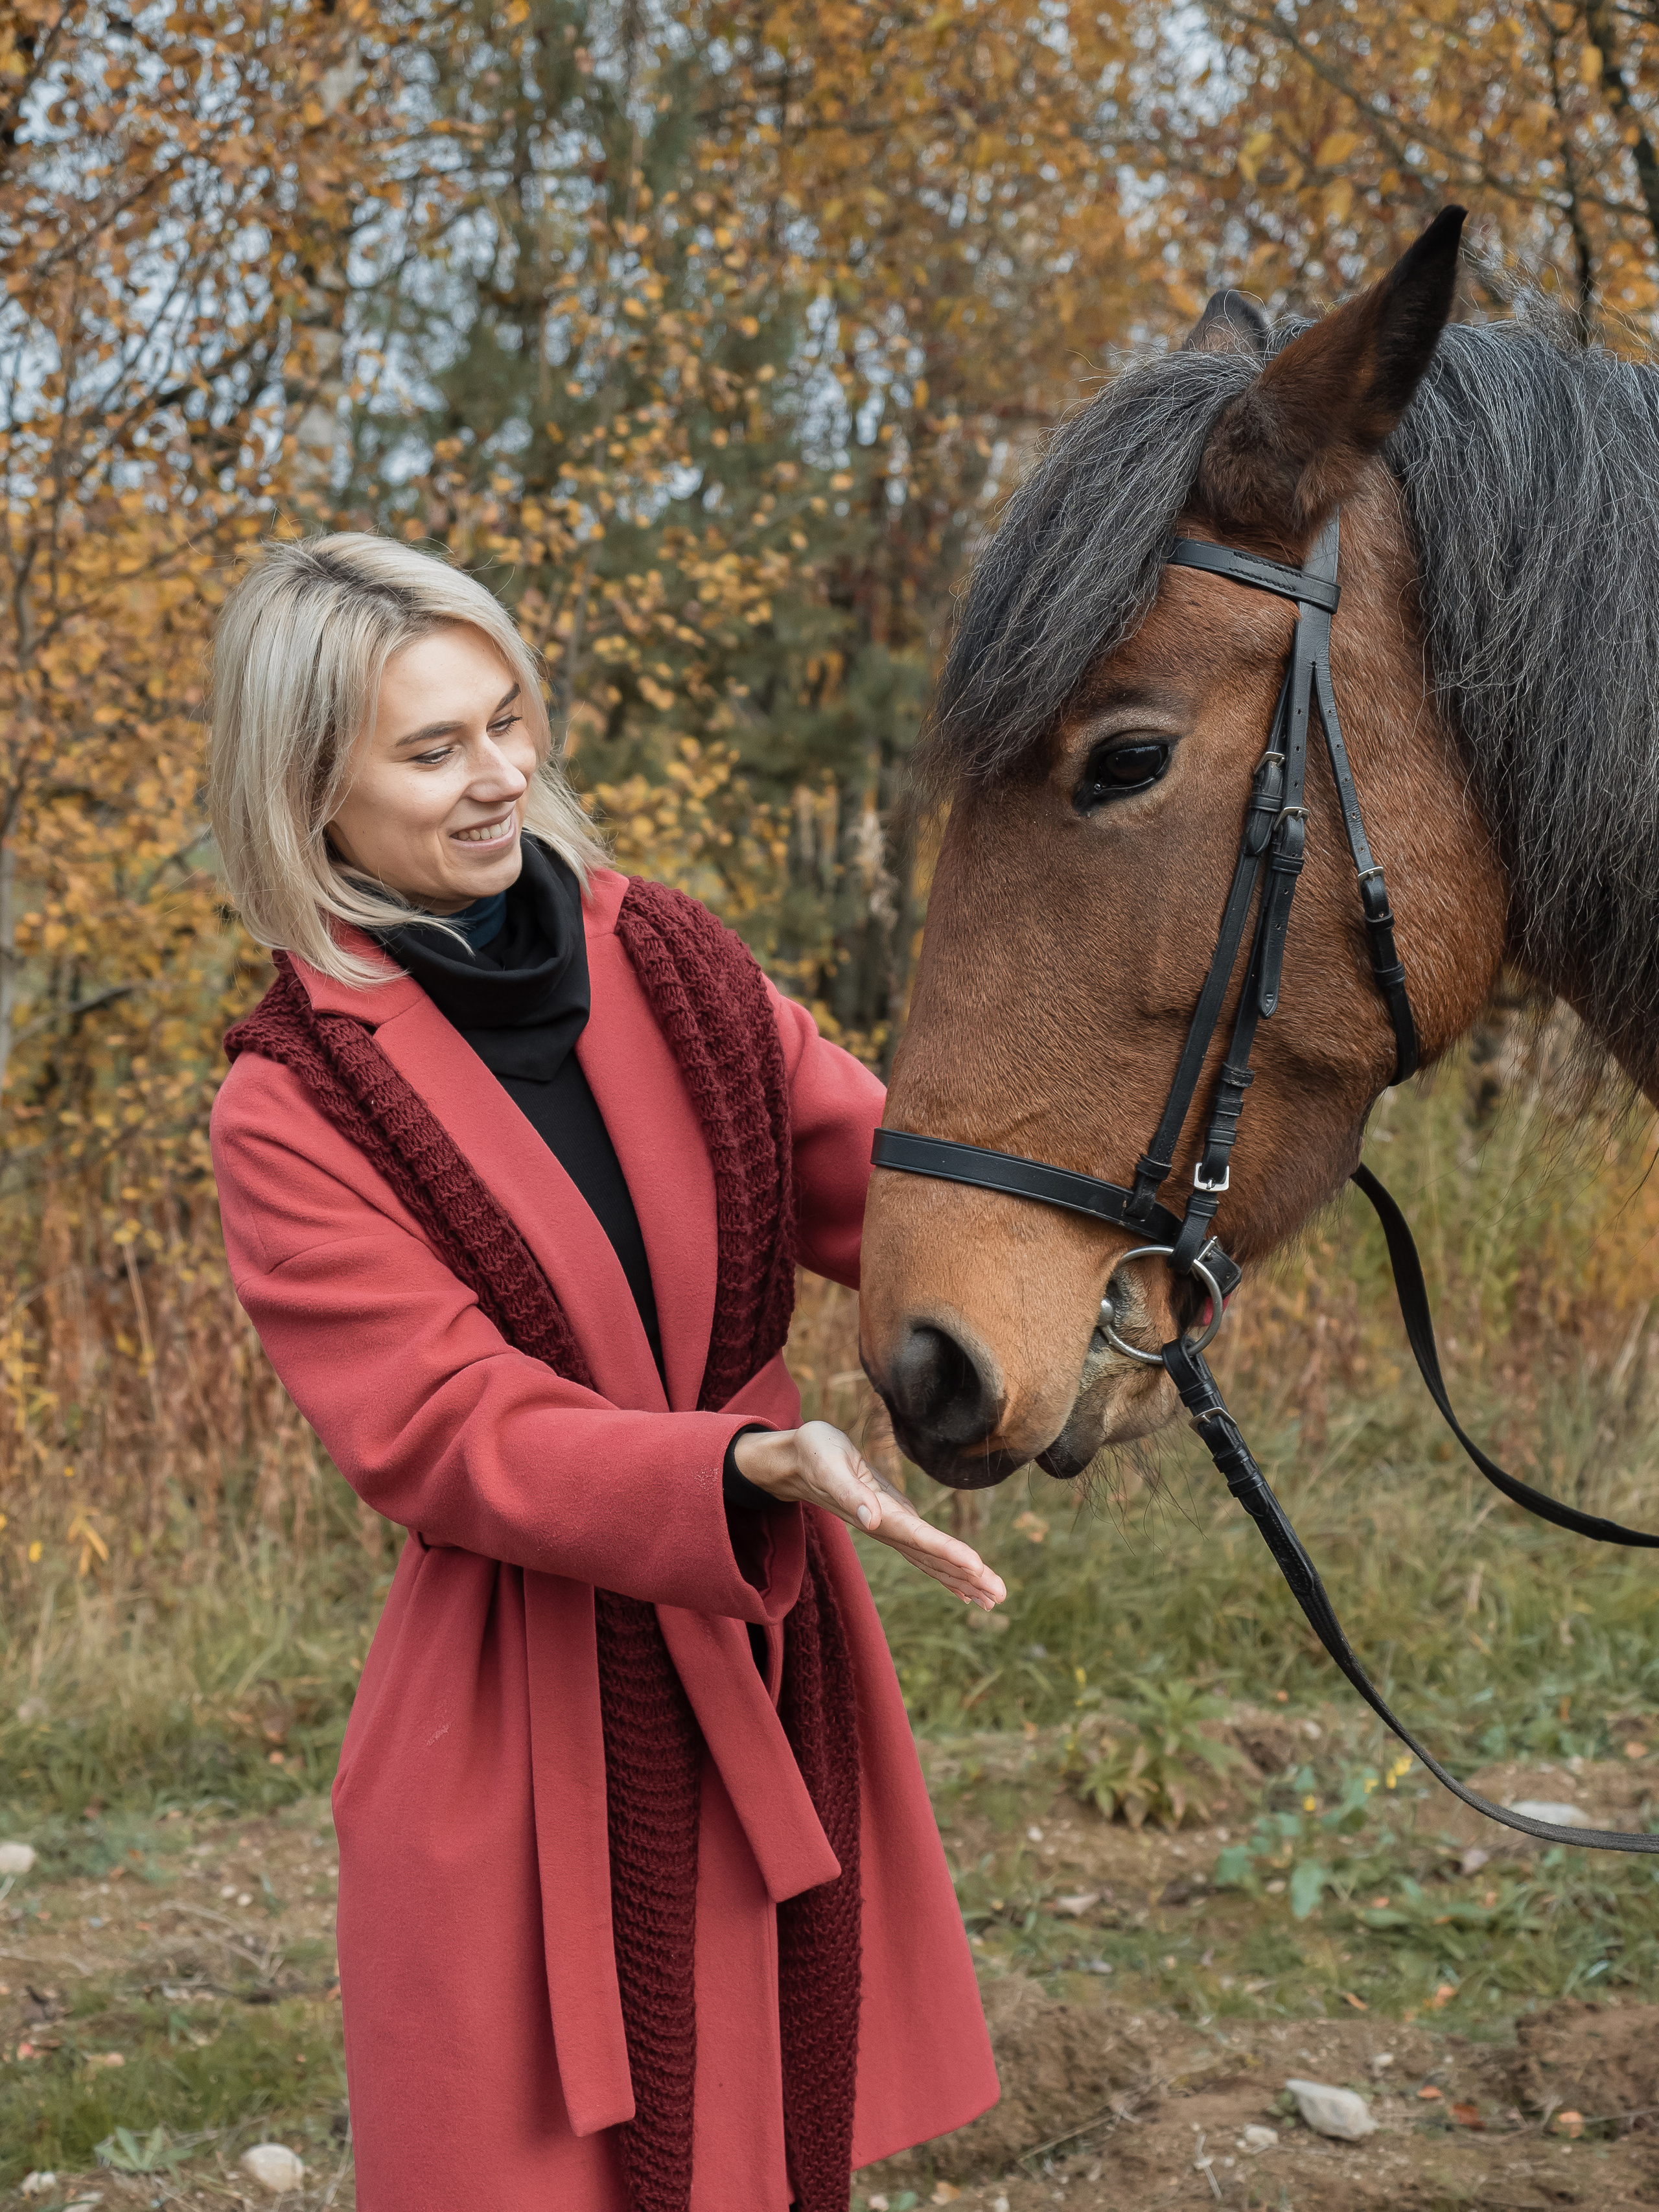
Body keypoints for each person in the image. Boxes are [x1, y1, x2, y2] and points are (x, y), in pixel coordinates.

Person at [205, 533, 1003, 2212]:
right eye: (434, 750)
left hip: (763, 1645)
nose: (502, 777)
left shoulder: (674, 962)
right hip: (523, 1701)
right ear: (309, 791)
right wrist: (734, 1468)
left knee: (768, 2131)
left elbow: (889, 1188)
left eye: (508, 719)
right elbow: (439, 1425)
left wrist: (1117, 1221)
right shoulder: (293, 1102)